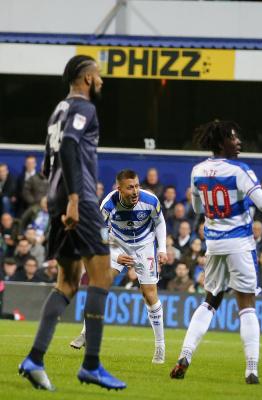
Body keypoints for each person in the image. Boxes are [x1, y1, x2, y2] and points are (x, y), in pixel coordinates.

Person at [170, 120, 262, 384]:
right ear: (221, 142)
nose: (239, 142)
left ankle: (185, 355)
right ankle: (251, 369)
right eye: (234, 138)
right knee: (246, 306)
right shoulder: (240, 170)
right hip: (239, 244)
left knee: (210, 301)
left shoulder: (198, 170)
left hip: (213, 245)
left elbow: (197, 209)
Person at [19, 55, 126, 391]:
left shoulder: (58, 109)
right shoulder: (84, 108)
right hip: (77, 201)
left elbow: (50, 155)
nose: (102, 81)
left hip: (56, 200)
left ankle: (34, 360)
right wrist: (76, 200)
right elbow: (67, 144)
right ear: (87, 78)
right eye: (98, 75)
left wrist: (56, 196)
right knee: (102, 277)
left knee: (67, 282)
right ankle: (91, 365)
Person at [68, 169, 167, 364]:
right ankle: (86, 332)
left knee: (149, 294)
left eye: (137, 185)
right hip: (117, 243)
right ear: (119, 189)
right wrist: (115, 255)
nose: (135, 191)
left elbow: (160, 222)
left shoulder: (151, 200)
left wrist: (161, 249)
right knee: (100, 283)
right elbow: (101, 233)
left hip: (144, 245)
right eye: (130, 187)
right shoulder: (108, 204)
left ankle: (160, 346)